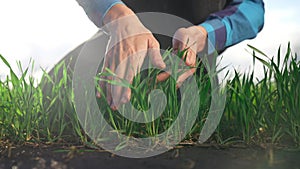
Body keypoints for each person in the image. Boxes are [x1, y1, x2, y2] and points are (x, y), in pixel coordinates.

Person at [69, 0, 264, 110]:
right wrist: (118, 16)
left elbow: (251, 8)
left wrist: (203, 35)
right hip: (111, 50)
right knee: (54, 100)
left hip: (186, 70)